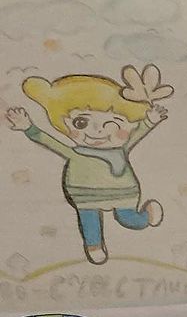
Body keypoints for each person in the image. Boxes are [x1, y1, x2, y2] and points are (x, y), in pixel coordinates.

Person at [6, 67, 170, 265]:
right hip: (85, 196)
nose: (98, 130)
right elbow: (49, 142)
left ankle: (146, 217)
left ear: (128, 126)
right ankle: (94, 246)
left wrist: (150, 121)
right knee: (89, 221)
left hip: (123, 193)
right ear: (65, 124)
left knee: (128, 219)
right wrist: (28, 127)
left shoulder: (121, 149)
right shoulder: (75, 153)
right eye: (81, 122)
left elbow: (138, 133)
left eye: (113, 123)